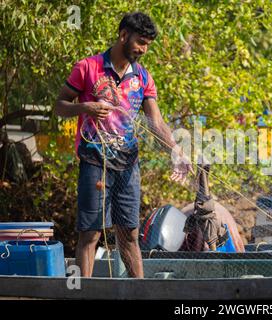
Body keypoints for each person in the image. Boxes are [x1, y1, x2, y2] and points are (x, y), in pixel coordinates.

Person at [55, 12, 192, 277]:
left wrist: (176, 150)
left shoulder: (142, 77)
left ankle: (138, 292)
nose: (143, 49)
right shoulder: (87, 67)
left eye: (148, 44)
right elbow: (59, 106)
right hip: (95, 161)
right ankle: (85, 294)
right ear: (123, 36)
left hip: (128, 165)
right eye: (140, 42)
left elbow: (157, 122)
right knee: (91, 233)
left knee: (129, 234)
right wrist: (86, 107)